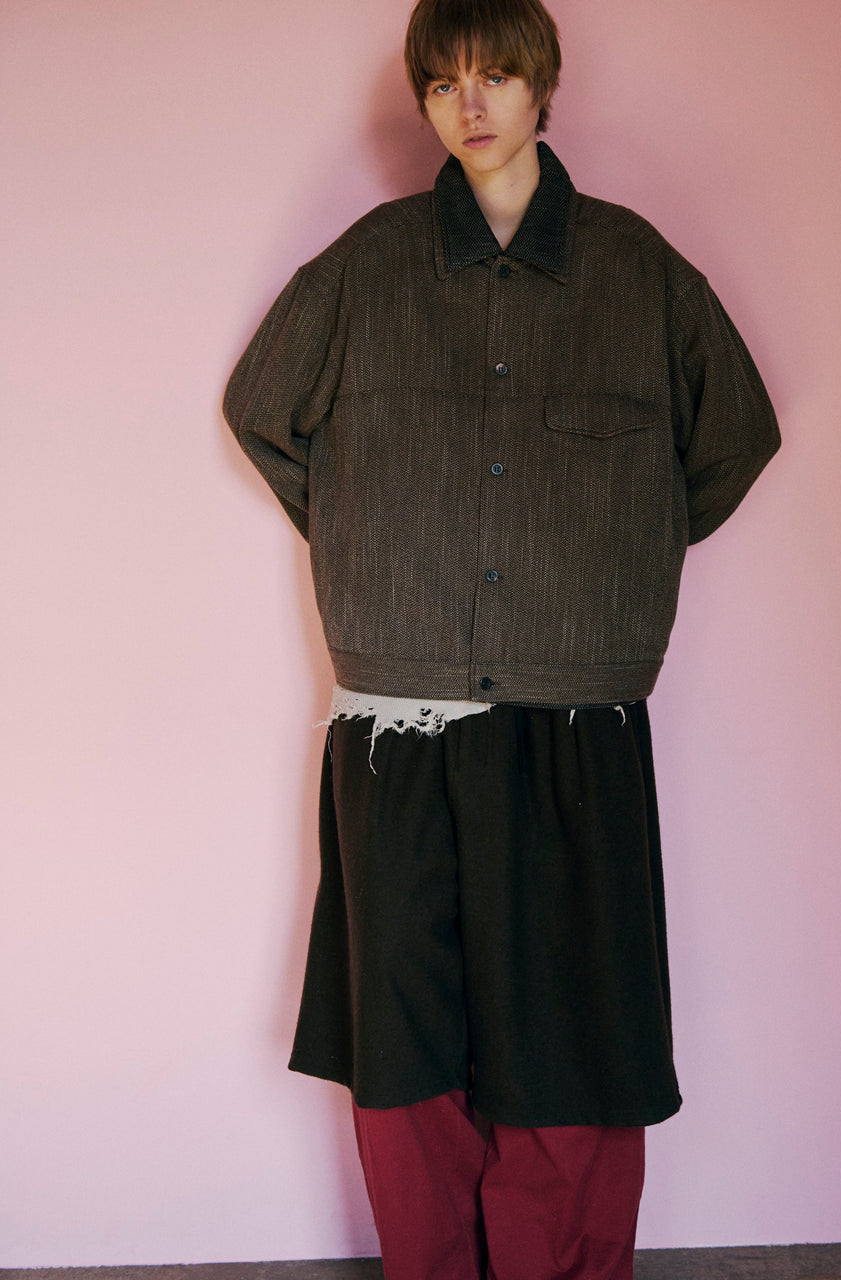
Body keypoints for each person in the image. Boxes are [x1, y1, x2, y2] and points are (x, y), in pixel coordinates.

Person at [224, 0, 779, 1276]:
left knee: (567, 1025)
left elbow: (734, 436)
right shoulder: (367, 266)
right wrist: (371, 534)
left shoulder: (638, 271)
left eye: (496, 75)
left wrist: (613, 559)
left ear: (543, 84)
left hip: (574, 717)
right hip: (397, 721)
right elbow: (262, 410)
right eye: (442, 83)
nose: (469, 105)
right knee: (405, 1032)